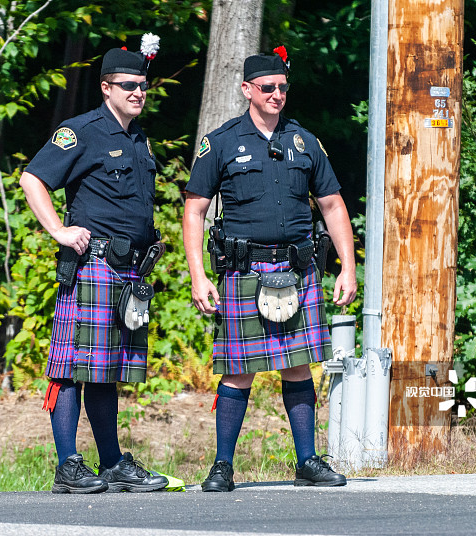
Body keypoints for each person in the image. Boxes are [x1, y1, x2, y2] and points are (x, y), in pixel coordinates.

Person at [183, 46, 358, 492]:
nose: (277, 94)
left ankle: (307, 461)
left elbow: (333, 205)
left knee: (299, 366)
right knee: (238, 369)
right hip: (244, 270)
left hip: (297, 269)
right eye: (267, 87)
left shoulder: (304, 141)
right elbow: (195, 209)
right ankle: (222, 466)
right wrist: (198, 274)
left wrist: (347, 267)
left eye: (282, 87)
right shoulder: (220, 142)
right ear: (247, 90)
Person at [19, 35, 168, 494]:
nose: (138, 92)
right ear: (106, 88)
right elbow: (32, 177)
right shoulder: (80, 130)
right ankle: (68, 466)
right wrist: (58, 232)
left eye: (143, 85)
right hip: (92, 265)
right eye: (128, 85)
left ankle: (112, 463)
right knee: (71, 368)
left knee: (108, 369)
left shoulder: (139, 138)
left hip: (130, 272)